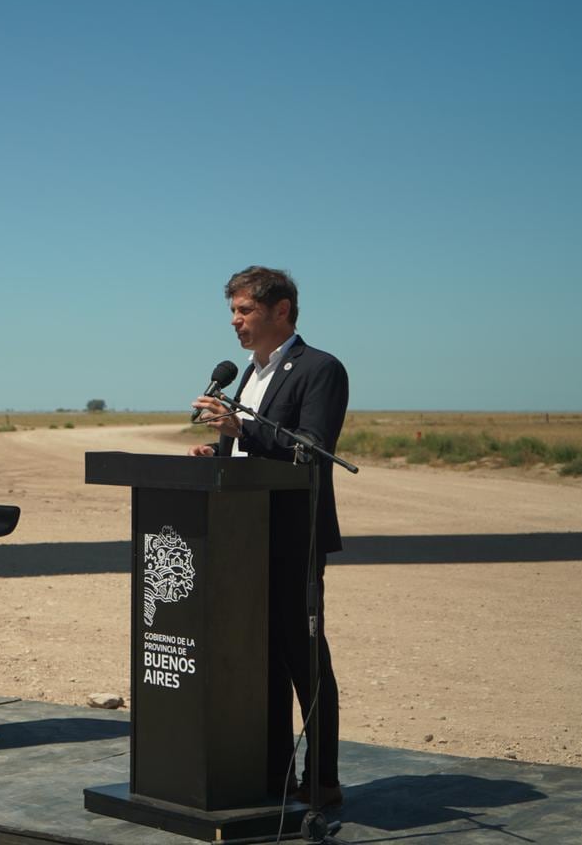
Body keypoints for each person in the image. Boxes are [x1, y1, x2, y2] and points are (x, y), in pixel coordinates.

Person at [189, 266, 349, 808]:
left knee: (304, 661)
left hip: (291, 539)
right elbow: (254, 449)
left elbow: (309, 449)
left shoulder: (320, 369)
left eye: (244, 311)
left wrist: (242, 430)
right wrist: (219, 453)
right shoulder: (247, 375)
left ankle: (321, 780)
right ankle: (274, 774)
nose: (235, 322)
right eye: (232, 312)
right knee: (261, 665)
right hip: (242, 541)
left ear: (281, 311)